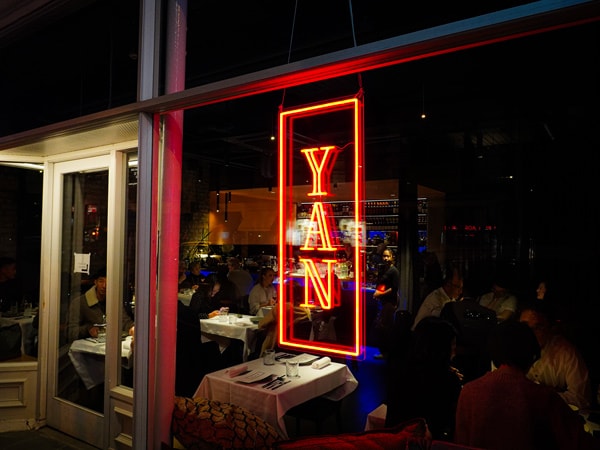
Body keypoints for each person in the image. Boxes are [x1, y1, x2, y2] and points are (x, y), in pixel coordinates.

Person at [455, 320, 599, 450]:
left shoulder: (469, 391)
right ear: (531, 355)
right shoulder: (543, 397)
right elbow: (581, 443)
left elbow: (460, 444)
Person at [385, 316, 463, 441]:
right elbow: (447, 421)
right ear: (441, 348)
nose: (455, 349)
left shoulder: (400, 370)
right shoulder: (448, 381)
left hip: (394, 438)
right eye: (452, 344)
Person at [519, 305, 593, 412]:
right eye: (524, 326)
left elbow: (581, 398)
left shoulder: (566, 353)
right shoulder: (511, 347)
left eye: (538, 327)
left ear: (550, 329)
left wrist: (542, 395)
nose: (530, 333)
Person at [67, 268, 135, 341]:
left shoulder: (114, 301)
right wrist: (88, 329)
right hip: (86, 349)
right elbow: (70, 332)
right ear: (95, 282)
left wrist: (132, 327)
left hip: (110, 344)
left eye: (108, 282)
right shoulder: (80, 302)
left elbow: (124, 320)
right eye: (101, 281)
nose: (104, 286)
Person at [412, 265, 463, 331]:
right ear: (448, 284)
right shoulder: (436, 299)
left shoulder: (451, 299)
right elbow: (440, 324)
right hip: (420, 336)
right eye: (458, 287)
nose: (461, 292)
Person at [372, 248, 400, 359]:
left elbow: (394, 288)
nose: (385, 258)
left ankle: (386, 353)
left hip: (390, 302)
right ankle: (384, 351)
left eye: (387, 256)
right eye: (384, 256)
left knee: (385, 327)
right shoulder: (385, 269)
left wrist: (380, 294)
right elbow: (383, 284)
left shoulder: (394, 271)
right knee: (382, 326)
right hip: (384, 302)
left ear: (392, 257)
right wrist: (378, 292)